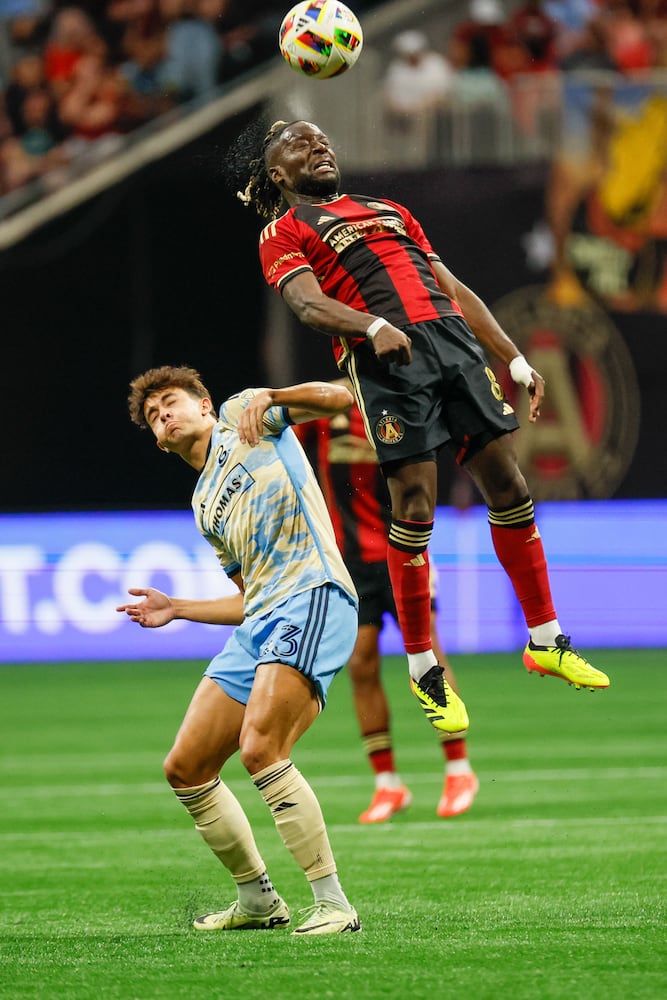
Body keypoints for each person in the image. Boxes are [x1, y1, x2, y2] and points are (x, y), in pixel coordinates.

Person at [232, 118, 611, 737]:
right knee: (414, 505)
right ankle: (422, 666)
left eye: (323, 137)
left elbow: (451, 287)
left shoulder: (390, 208)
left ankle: (545, 639)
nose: (319, 145)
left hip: (454, 345)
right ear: (278, 175)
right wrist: (369, 326)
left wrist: (512, 355)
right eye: (300, 143)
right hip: (387, 360)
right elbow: (305, 304)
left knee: (510, 488)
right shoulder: (285, 230)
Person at [117, 365, 361, 936]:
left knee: (261, 748)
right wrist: (178, 607)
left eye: (170, 403)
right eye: (153, 416)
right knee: (186, 767)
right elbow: (247, 597)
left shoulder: (242, 416)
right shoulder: (205, 505)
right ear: (156, 439)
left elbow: (340, 398)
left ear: (203, 405)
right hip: (265, 616)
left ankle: (333, 904)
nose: (163, 416)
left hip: (312, 595)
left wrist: (275, 395)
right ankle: (258, 900)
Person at [296, 386, 479, 822]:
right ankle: (388, 784)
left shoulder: (397, 407)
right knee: (361, 661)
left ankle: (458, 769)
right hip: (351, 562)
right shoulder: (321, 416)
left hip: (404, 550)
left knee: (428, 654)